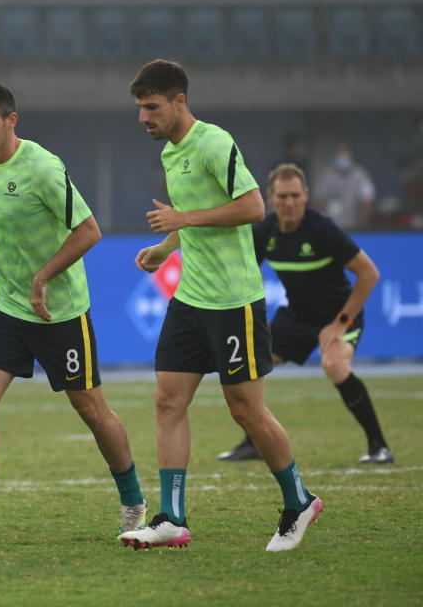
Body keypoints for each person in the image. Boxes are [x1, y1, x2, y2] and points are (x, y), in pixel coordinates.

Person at [0, 82, 147, 545]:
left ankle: (133, 501)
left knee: (91, 409)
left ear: (11, 120)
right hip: (8, 306)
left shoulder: (44, 168)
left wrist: (44, 277)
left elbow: (89, 231)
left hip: (59, 312)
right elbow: (0, 214)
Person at [120, 60, 321, 552]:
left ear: (179, 101)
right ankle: (172, 519)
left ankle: (300, 501)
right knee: (168, 400)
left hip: (234, 302)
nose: (144, 117)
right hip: (190, 298)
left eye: (152, 107)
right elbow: (193, 219)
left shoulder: (214, 142)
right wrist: (167, 246)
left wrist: (181, 217)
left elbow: (254, 207)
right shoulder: (170, 151)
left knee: (246, 411)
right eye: (139, 109)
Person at [218, 163, 391, 464]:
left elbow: (369, 274)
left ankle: (379, 446)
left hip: (340, 315)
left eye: (295, 195)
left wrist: (340, 324)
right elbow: (242, 275)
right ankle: (254, 442)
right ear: (270, 198)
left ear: (306, 196)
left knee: (334, 365)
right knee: (252, 365)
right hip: (296, 316)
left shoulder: (322, 228)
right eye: (282, 196)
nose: (289, 203)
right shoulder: (265, 231)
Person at [311, 143, 375, 229]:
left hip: (353, 226)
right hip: (330, 227)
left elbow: (367, 202)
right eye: (339, 155)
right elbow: (317, 202)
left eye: (344, 155)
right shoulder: (327, 175)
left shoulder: (360, 175)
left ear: (351, 157)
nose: (342, 158)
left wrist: (360, 226)